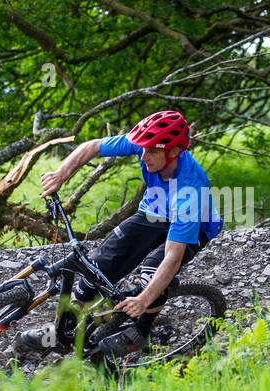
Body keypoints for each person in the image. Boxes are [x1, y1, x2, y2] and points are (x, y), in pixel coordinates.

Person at [17, 109, 223, 357]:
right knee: (97, 266)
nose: (143, 155)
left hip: (195, 224)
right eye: (143, 149)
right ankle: (63, 330)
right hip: (155, 210)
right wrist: (61, 174)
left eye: (153, 151)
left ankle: (140, 332)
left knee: (152, 272)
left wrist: (144, 300)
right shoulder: (147, 144)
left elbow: (173, 257)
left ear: (175, 151)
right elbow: (92, 147)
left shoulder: (191, 189)